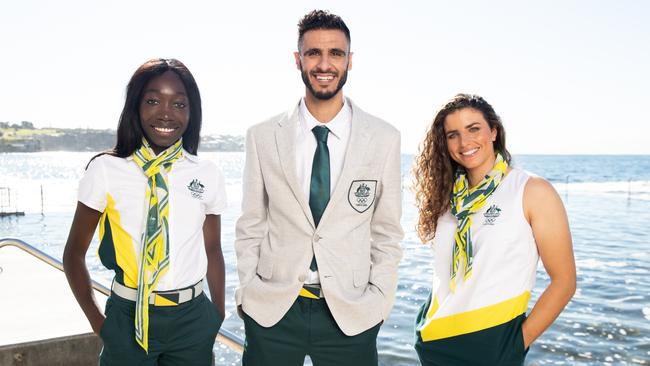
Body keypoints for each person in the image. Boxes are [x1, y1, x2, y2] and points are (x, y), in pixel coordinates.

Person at [234, 10, 404, 366]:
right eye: (313, 53)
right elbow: (251, 225)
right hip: (274, 311)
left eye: (335, 54)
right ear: (298, 59)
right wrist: (247, 295)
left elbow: (386, 232)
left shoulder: (384, 139)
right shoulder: (263, 137)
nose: (324, 64)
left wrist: (379, 302)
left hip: (351, 313)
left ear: (349, 61)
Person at [62, 58, 226, 366]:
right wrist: (100, 323)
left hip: (193, 320)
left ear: (192, 113)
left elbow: (212, 248)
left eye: (179, 104)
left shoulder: (206, 173)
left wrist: (216, 313)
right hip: (128, 317)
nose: (165, 112)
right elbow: (73, 254)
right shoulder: (106, 170)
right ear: (135, 106)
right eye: (153, 100)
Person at [412, 93, 576, 365]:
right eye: (453, 134)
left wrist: (516, 345)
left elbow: (565, 281)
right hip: (434, 345)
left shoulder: (531, 191)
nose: (464, 142)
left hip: (492, 349)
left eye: (473, 129)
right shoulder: (447, 196)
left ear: (494, 131)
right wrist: (424, 327)